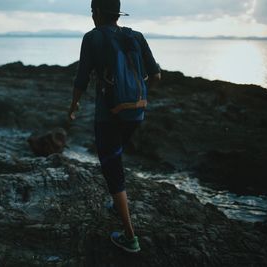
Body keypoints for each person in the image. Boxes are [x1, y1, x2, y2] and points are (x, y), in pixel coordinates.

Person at [68, 0, 161, 253]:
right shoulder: (137, 36)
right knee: (116, 155)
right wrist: (138, 97)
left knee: (112, 169)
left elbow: (82, 77)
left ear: (96, 13)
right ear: (116, 14)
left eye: (92, 11)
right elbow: (156, 75)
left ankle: (130, 238)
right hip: (136, 113)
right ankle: (116, 204)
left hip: (108, 116)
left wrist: (74, 106)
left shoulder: (92, 38)